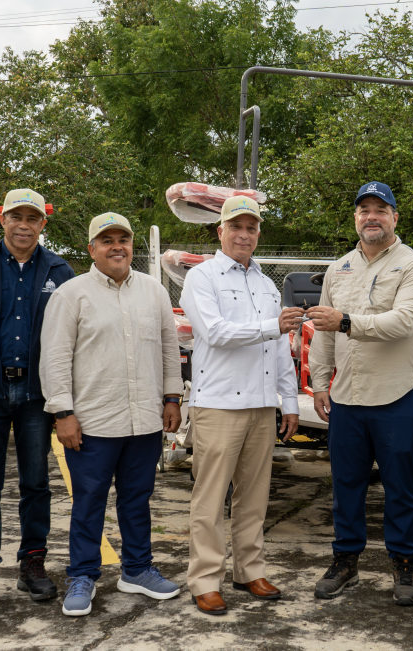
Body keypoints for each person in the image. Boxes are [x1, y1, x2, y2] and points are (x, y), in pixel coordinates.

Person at [40, 212, 184, 617]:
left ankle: (137, 569)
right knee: (89, 501)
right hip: (93, 422)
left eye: (123, 239)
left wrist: (172, 397)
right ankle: (83, 575)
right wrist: (63, 412)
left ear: (132, 246)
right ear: (92, 249)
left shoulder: (154, 291)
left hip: (144, 420)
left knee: (137, 499)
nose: (117, 246)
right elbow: (54, 360)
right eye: (107, 240)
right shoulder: (72, 295)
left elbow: (169, 348)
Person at [307, 181, 413, 607]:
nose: (372, 217)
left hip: (396, 394)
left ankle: (404, 564)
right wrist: (321, 382)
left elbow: (404, 322)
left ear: (395, 217)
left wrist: (345, 321)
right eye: (364, 210)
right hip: (347, 397)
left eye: (381, 209)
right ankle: (345, 560)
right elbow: (322, 334)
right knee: (346, 487)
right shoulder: (339, 268)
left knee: (401, 488)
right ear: (356, 219)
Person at [180, 196, 303, 615]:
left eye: (251, 228)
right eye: (236, 227)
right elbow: (215, 333)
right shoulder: (202, 277)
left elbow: (280, 350)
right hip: (218, 405)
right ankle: (205, 579)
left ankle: (249, 569)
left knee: (254, 497)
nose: (244, 235)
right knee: (211, 498)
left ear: (258, 234)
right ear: (220, 231)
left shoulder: (267, 285)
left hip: (261, 404)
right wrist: (274, 325)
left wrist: (289, 401)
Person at [0, 188, 76, 609]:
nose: (23, 225)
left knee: (36, 482)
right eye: (15, 217)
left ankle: (32, 563)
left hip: (36, 394)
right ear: (1, 220)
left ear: (44, 223)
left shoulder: (60, 272)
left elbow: (73, 336)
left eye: (32, 218)